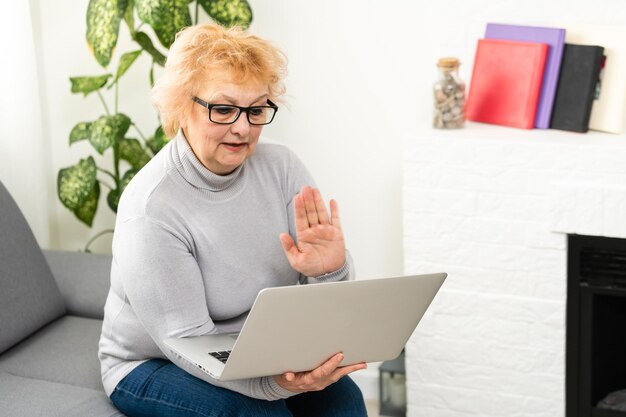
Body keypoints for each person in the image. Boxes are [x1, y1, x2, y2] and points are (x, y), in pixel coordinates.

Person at [98, 23, 368, 417]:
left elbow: (321, 306)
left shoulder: (282, 167)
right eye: (223, 109)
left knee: (345, 400)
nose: (242, 128)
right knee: (262, 415)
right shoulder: (151, 209)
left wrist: (329, 271)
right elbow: (186, 340)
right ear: (180, 107)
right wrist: (275, 385)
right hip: (153, 362)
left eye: (256, 110)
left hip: (258, 349)